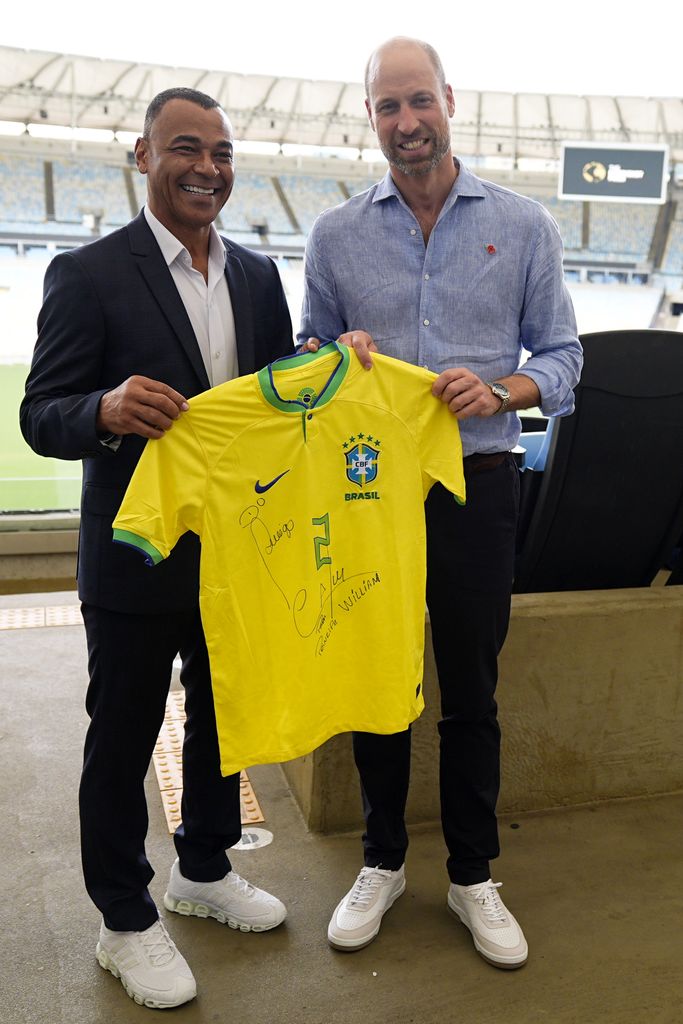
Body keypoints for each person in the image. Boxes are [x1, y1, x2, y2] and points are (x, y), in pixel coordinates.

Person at [299, 37, 583, 970]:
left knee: (469, 693)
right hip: (369, 493)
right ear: (370, 116)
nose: (405, 122)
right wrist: (331, 354)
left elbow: (563, 360)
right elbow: (303, 359)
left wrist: (501, 391)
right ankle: (382, 860)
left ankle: (471, 875)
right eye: (387, 107)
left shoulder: (524, 224)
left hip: (478, 485)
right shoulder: (335, 235)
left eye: (418, 101)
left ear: (449, 101)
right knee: (377, 687)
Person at [20, 87, 294, 1009]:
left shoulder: (258, 275)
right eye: (186, 148)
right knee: (125, 733)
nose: (206, 167)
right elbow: (40, 415)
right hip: (134, 554)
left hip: (234, 549)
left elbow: (279, 404)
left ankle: (205, 872)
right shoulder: (89, 272)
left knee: (223, 720)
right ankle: (123, 920)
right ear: (143, 156)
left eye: (221, 152)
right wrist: (100, 409)